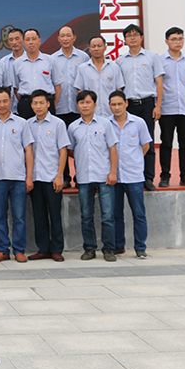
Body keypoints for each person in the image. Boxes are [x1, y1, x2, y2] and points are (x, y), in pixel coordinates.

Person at [0, 87, 34, 263]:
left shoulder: (22, 123)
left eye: (5, 101)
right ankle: (3, 250)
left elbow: (28, 150)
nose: (2, 104)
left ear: (10, 101)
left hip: (18, 177)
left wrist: (29, 176)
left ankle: (19, 250)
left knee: (19, 217)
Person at [68, 90, 119, 262]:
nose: (85, 105)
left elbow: (113, 149)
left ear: (95, 104)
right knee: (86, 216)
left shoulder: (105, 124)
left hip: (104, 176)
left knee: (108, 216)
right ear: (78, 105)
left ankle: (109, 249)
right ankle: (89, 248)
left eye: (88, 102)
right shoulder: (73, 127)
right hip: (84, 177)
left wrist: (113, 172)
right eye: (81, 102)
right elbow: (70, 150)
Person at [116, 24, 164, 191]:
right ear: (125, 40)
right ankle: (130, 176)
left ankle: (148, 177)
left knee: (147, 142)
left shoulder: (152, 57)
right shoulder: (120, 61)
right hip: (128, 106)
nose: (133, 38)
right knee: (129, 142)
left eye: (136, 34)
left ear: (141, 37)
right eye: (129, 36)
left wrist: (158, 106)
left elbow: (159, 83)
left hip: (147, 104)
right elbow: (119, 87)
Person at [26, 90, 70, 262]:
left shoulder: (58, 124)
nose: (38, 106)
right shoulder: (28, 124)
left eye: (41, 103)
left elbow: (63, 150)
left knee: (55, 214)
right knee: (39, 215)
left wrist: (60, 176)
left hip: (52, 177)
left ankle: (57, 249)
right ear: (31, 105)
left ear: (48, 104)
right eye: (35, 103)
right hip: (35, 177)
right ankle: (43, 248)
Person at [109, 90, 152, 259]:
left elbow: (145, 146)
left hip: (134, 176)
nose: (117, 107)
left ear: (126, 104)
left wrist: (134, 161)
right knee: (116, 214)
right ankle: (119, 245)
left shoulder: (139, 123)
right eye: (113, 104)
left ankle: (140, 247)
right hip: (114, 176)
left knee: (138, 213)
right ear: (109, 106)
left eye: (120, 104)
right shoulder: (106, 124)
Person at [159, 27, 185, 187]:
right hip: (167, 108)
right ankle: (165, 176)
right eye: (174, 39)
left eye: (180, 39)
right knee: (166, 144)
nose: (178, 42)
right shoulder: (160, 61)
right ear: (166, 41)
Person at [51, 25, 88, 187]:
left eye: (68, 35)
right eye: (62, 36)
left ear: (74, 37)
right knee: (61, 145)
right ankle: (65, 176)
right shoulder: (52, 59)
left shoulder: (83, 57)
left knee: (80, 143)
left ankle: (81, 176)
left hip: (78, 109)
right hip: (59, 108)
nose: (65, 38)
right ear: (58, 39)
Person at [11, 29, 61, 120]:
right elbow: (16, 88)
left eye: (34, 39)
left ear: (39, 41)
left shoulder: (50, 60)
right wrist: (27, 101)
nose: (31, 42)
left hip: (46, 102)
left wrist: (51, 103)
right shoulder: (17, 63)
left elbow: (58, 86)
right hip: (26, 104)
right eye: (27, 39)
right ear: (23, 42)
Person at [73, 36, 125, 118]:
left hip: (111, 113)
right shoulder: (82, 68)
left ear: (105, 48)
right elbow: (80, 91)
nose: (96, 49)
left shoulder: (114, 67)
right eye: (93, 46)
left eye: (99, 46)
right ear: (90, 49)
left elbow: (119, 90)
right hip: (91, 114)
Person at [0, 28, 25, 114]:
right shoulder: (3, 62)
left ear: (23, 40)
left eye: (17, 39)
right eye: (11, 40)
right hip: (8, 108)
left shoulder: (30, 60)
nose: (14, 42)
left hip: (26, 105)